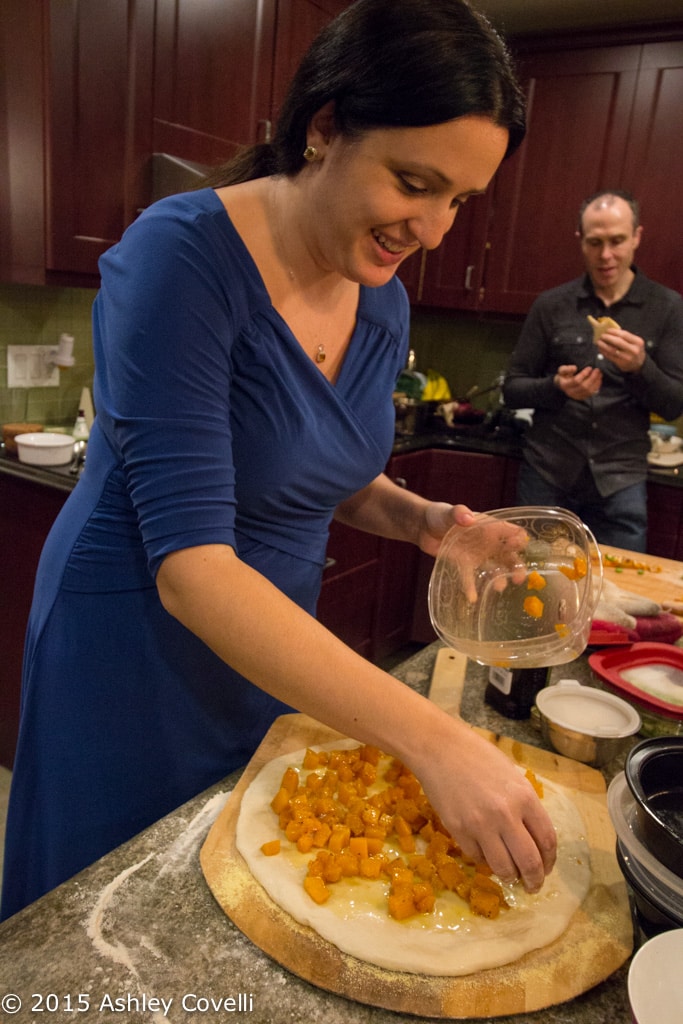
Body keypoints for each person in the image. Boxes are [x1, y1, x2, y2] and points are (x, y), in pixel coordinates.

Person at [1, 0, 557, 921]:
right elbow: (193, 572)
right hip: (133, 644)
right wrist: (434, 739)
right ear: (323, 126)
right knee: (107, 920)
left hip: (270, 647)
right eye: (413, 183)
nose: (431, 230)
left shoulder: (378, 295)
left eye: (459, 201)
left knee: (232, 887)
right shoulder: (179, 259)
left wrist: (424, 523)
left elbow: (316, 465)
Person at [503, 189, 683, 552]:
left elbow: (674, 404)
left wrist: (640, 367)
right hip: (547, 473)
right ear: (580, 242)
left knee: (620, 594)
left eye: (617, 241)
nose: (606, 255)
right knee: (533, 589)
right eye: (595, 242)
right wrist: (557, 387)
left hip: (620, 482)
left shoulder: (667, 308)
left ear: (636, 237)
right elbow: (512, 390)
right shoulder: (551, 305)